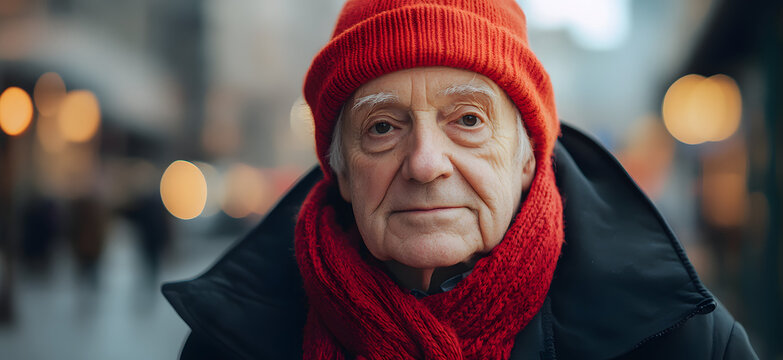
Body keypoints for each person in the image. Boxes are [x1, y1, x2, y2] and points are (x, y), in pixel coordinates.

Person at [163, 0, 759, 358]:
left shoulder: (682, 346)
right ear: (339, 170)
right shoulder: (228, 351)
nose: (426, 163)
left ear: (529, 156)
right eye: (382, 128)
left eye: (468, 120)